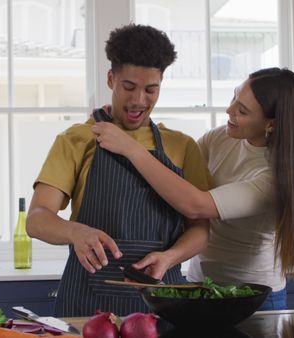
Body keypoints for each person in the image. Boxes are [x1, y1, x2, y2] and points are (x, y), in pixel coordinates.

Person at [26, 24, 212, 317]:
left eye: (151, 89)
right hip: (85, 304)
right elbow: (36, 220)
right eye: (129, 87)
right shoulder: (76, 140)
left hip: (162, 301)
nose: (139, 100)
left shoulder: (183, 147)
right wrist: (75, 232)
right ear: (111, 79)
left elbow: (201, 229)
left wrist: (170, 256)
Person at [91, 67, 294, 310]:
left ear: (270, 124)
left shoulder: (273, 178)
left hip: (253, 297)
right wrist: (138, 132)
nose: (229, 111)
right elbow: (176, 172)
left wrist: (131, 148)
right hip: (199, 285)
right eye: (233, 98)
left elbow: (196, 205)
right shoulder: (222, 138)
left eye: (242, 110)